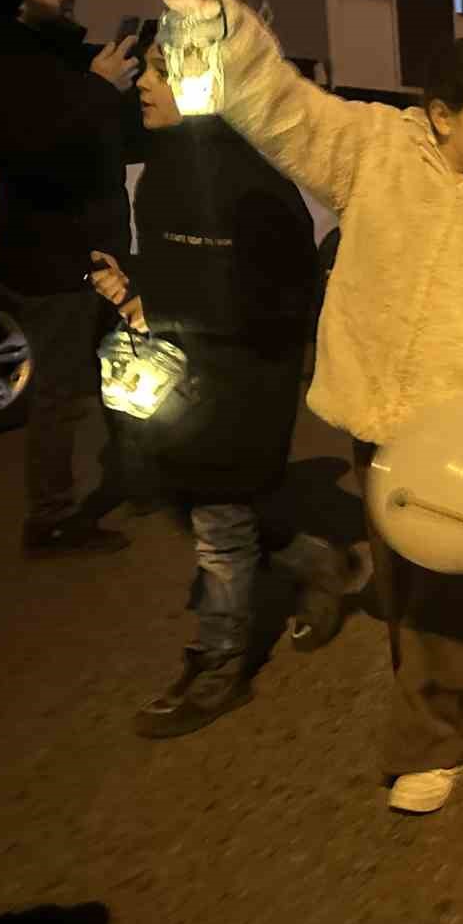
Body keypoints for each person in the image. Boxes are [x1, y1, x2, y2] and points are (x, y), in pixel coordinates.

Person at [158, 0, 463, 812]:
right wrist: (214, 22)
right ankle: (461, 682)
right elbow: (281, 107)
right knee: (404, 588)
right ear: (441, 115)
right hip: (376, 421)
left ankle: (431, 742)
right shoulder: (373, 150)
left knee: (433, 595)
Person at [86, 41, 325, 736]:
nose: (144, 83)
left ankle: (221, 665)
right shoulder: (158, 177)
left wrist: (173, 313)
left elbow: (285, 299)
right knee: (214, 510)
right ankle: (325, 567)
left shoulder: (259, 184)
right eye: (147, 69)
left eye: (163, 70)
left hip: (242, 388)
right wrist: (132, 289)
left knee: (219, 531)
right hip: (181, 388)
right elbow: (174, 276)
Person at [0, 0, 143, 556]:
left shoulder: (55, 54)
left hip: (95, 250)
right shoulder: (3, 61)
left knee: (122, 366)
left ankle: (142, 477)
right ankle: (51, 519)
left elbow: (90, 137)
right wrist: (95, 90)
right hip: (54, 256)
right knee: (60, 390)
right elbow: (34, 152)